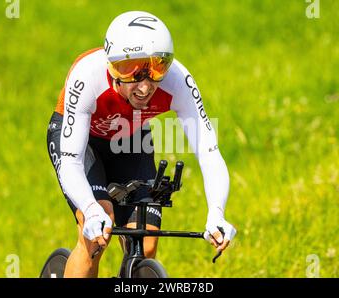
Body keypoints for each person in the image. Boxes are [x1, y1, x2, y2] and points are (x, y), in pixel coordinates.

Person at [46, 10, 236, 277]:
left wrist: (217, 212)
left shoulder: (178, 81)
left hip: (129, 139)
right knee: (97, 234)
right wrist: (89, 210)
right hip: (83, 142)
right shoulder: (87, 75)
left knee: (146, 242)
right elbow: (71, 161)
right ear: (112, 66)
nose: (145, 87)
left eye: (157, 68)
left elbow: (208, 152)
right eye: (131, 70)